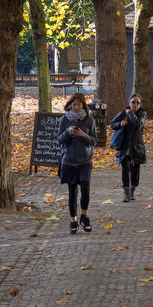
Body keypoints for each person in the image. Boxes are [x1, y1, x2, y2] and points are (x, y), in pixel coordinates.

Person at [58, 92, 97, 234]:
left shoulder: (89, 120)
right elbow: (59, 140)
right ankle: (73, 221)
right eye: (74, 104)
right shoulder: (63, 120)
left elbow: (94, 141)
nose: (76, 107)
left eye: (79, 104)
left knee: (85, 188)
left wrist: (83, 135)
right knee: (72, 191)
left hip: (85, 160)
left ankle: (84, 217)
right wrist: (68, 132)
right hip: (68, 161)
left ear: (83, 106)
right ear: (70, 105)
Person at [110, 92, 146, 202]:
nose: (135, 105)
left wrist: (130, 113)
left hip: (137, 147)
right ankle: (126, 193)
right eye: (133, 102)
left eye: (137, 103)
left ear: (140, 104)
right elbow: (112, 124)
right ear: (129, 102)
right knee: (125, 170)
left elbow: (137, 124)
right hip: (124, 147)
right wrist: (120, 124)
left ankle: (132, 191)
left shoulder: (142, 114)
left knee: (135, 172)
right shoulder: (123, 113)